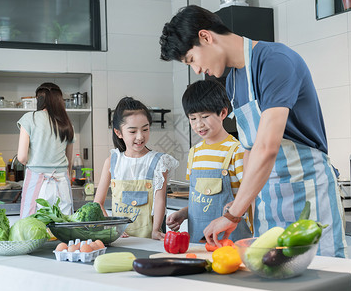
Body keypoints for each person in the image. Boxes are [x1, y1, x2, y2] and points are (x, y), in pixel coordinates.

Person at [160, 5, 347, 257]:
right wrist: (241, 202)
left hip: (307, 194)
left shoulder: (274, 61)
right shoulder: (236, 80)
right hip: (267, 201)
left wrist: (233, 213)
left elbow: (267, 147)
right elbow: (249, 149)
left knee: (322, 276)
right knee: (272, 275)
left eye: (192, 59)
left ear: (206, 37)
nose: (196, 70)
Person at [166, 80, 252, 243]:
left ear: (223, 113)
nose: (199, 124)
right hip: (197, 240)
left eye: (205, 116)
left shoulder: (236, 150)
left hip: (230, 240)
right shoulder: (194, 152)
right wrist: (184, 213)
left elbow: (249, 197)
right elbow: (200, 199)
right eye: (193, 118)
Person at [94, 97, 178, 240]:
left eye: (145, 129)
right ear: (118, 133)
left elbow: (160, 200)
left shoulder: (159, 162)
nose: (140, 136)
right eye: (132, 132)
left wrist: (156, 230)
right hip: (119, 240)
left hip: (149, 239)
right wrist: (112, 226)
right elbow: (97, 204)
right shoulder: (112, 162)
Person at [17, 82, 75, 218]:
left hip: (39, 183)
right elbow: (69, 161)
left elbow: (22, 157)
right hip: (62, 185)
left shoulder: (29, 118)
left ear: (39, 100)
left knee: (34, 231)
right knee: (64, 229)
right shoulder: (67, 123)